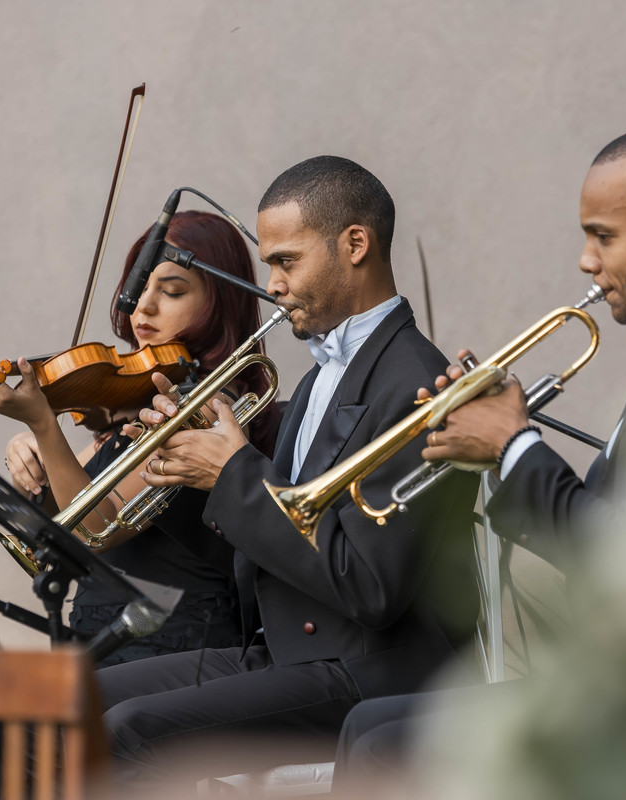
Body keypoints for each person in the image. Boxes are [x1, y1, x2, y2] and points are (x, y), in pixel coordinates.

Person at [334, 123, 626, 784]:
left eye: (603, 236)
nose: (585, 261)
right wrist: (494, 442)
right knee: (368, 727)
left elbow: (623, 555)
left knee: (382, 742)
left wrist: (514, 444)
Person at [94, 156, 479, 785]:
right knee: (75, 698)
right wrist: (192, 464)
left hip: (370, 665)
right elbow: (276, 537)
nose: (271, 284)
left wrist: (234, 473)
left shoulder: (415, 382)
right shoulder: (319, 377)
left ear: (356, 244)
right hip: (285, 648)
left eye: (286, 262)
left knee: (130, 730)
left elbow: (371, 588)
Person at [0, 210, 281, 666]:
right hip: (110, 633)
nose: (143, 306)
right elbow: (59, 515)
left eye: (172, 292)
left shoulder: (208, 404)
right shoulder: (139, 395)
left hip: (171, 646)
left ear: (218, 303)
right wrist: (30, 459)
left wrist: (45, 427)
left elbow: (94, 526)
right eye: (139, 287)